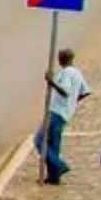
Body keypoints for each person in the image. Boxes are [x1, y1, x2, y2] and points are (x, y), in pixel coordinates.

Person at [38, 46, 91, 184]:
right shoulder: (77, 73)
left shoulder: (66, 73)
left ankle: (59, 165)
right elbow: (85, 91)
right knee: (54, 145)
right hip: (65, 113)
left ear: (62, 59)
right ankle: (54, 176)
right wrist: (72, 102)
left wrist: (51, 82)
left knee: (39, 140)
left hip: (56, 112)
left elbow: (65, 91)